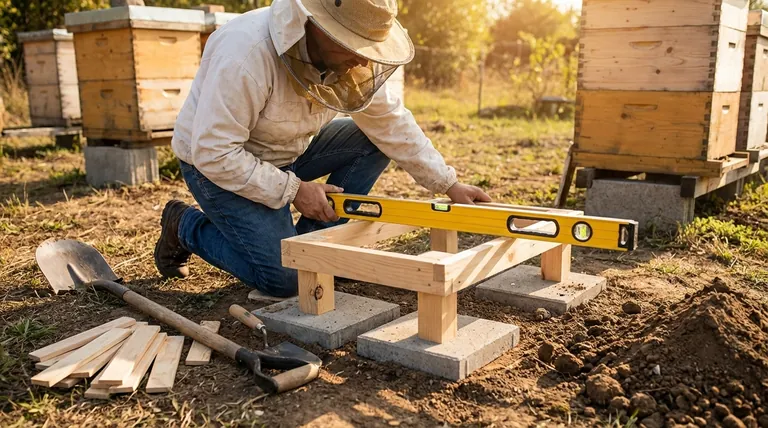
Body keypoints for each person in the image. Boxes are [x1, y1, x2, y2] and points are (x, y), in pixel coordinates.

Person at [154, 0, 491, 299]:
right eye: (352, 47)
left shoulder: (351, 62)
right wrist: (295, 190)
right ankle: (183, 225)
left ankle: (318, 245)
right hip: (216, 165)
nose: (360, 60)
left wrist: (448, 184)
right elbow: (215, 153)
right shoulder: (245, 54)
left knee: (369, 142)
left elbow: (390, 122)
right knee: (287, 281)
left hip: (289, 152)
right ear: (318, 26)